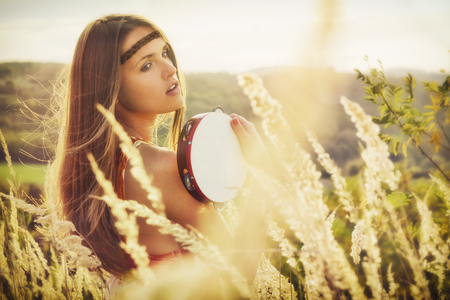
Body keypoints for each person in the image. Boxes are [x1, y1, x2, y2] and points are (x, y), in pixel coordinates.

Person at [47, 14, 269, 297]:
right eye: (147, 65)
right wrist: (264, 177)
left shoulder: (101, 169)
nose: (170, 69)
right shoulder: (162, 169)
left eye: (165, 52)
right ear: (111, 88)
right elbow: (238, 278)